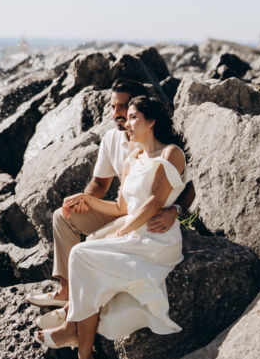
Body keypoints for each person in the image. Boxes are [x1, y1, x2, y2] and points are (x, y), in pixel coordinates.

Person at [36, 95, 190, 359]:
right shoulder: (133, 158)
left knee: (82, 254)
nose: (127, 124)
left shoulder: (171, 153)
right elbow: (121, 207)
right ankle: (83, 356)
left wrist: (122, 233)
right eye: (127, 117)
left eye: (133, 117)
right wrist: (87, 200)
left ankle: (76, 340)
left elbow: (153, 203)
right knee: (86, 255)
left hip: (154, 239)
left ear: (151, 121)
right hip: (131, 230)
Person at [27, 80, 182, 310]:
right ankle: (66, 291)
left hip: (148, 219)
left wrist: (176, 211)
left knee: (91, 246)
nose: (116, 113)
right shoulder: (111, 139)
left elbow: (184, 187)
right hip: (123, 210)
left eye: (123, 107)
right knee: (63, 215)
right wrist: (84, 200)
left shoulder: (162, 145)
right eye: (112, 107)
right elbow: (100, 183)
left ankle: (79, 308)